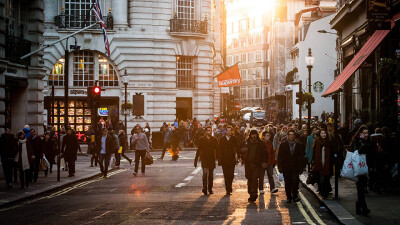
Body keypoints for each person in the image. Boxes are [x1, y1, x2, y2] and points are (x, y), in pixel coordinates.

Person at [278, 129, 305, 203]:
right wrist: (280, 167)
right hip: (286, 167)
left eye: (292, 134)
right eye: (290, 134)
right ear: (287, 136)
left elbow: (301, 157)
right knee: (288, 183)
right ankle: (289, 197)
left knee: (295, 182)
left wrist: (301, 167)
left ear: (294, 136)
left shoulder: (299, 145)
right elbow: (280, 156)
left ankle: (295, 196)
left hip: (295, 167)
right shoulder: (283, 145)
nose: (291, 136)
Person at [351, 125, 372, 216]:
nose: (366, 135)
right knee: (361, 188)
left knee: (362, 188)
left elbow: (370, 154)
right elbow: (357, 152)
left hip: (366, 166)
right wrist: (363, 142)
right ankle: (364, 208)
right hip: (359, 167)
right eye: (364, 133)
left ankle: (359, 207)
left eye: (367, 133)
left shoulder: (369, 141)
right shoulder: (356, 141)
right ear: (360, 134)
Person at [242, 130, 268, 202]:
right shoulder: (246, 142)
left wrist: (264, 162)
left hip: (257, 164)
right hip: (248, 164)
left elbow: (265, 153)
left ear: (257, 135)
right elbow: (241, 150)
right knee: (249, 178)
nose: (254, 136)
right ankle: (251, 193)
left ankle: (254, 193)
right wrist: (242, 153)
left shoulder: (261, 143)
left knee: (254, 179)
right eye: (252, 135)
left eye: (255, 135)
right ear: (250, 135)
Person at [194, 125, 218, 195]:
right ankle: (205, 188)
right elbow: (199, 150)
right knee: (205, 173)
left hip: (211, 159)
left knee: (210, 175)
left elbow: (217, 150)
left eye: (210, 130)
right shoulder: (201, 139)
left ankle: (210, 188)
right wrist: (195, 160)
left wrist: (219, 159)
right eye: (208, 130)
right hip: (204, 159)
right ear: (205, 132)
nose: (209, 132)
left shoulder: (214, 139)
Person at [218, 125, 239, 195]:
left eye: (230, 131)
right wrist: (219, 159)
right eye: (228, 131)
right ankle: (228, 189)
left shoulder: (234, 138)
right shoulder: (222, 139)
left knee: (231, 174)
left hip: (232, 159)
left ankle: (229, 186)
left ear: (232, 131)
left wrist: (238, 157)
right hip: (224, 159)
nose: (229, 132)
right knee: (226, 175)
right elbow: (219, 149)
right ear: (226, 131)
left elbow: (237, 148)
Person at [312, 129, 331, 198]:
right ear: (319, 134)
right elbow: (314, 152)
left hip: (327, 163)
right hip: (319, 163)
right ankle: (323, 193)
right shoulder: (317, 142)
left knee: (326, 179)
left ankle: (324, 192)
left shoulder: (328, 142)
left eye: (324, 133)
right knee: (321, 179)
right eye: (322, 133)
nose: (323, 134)